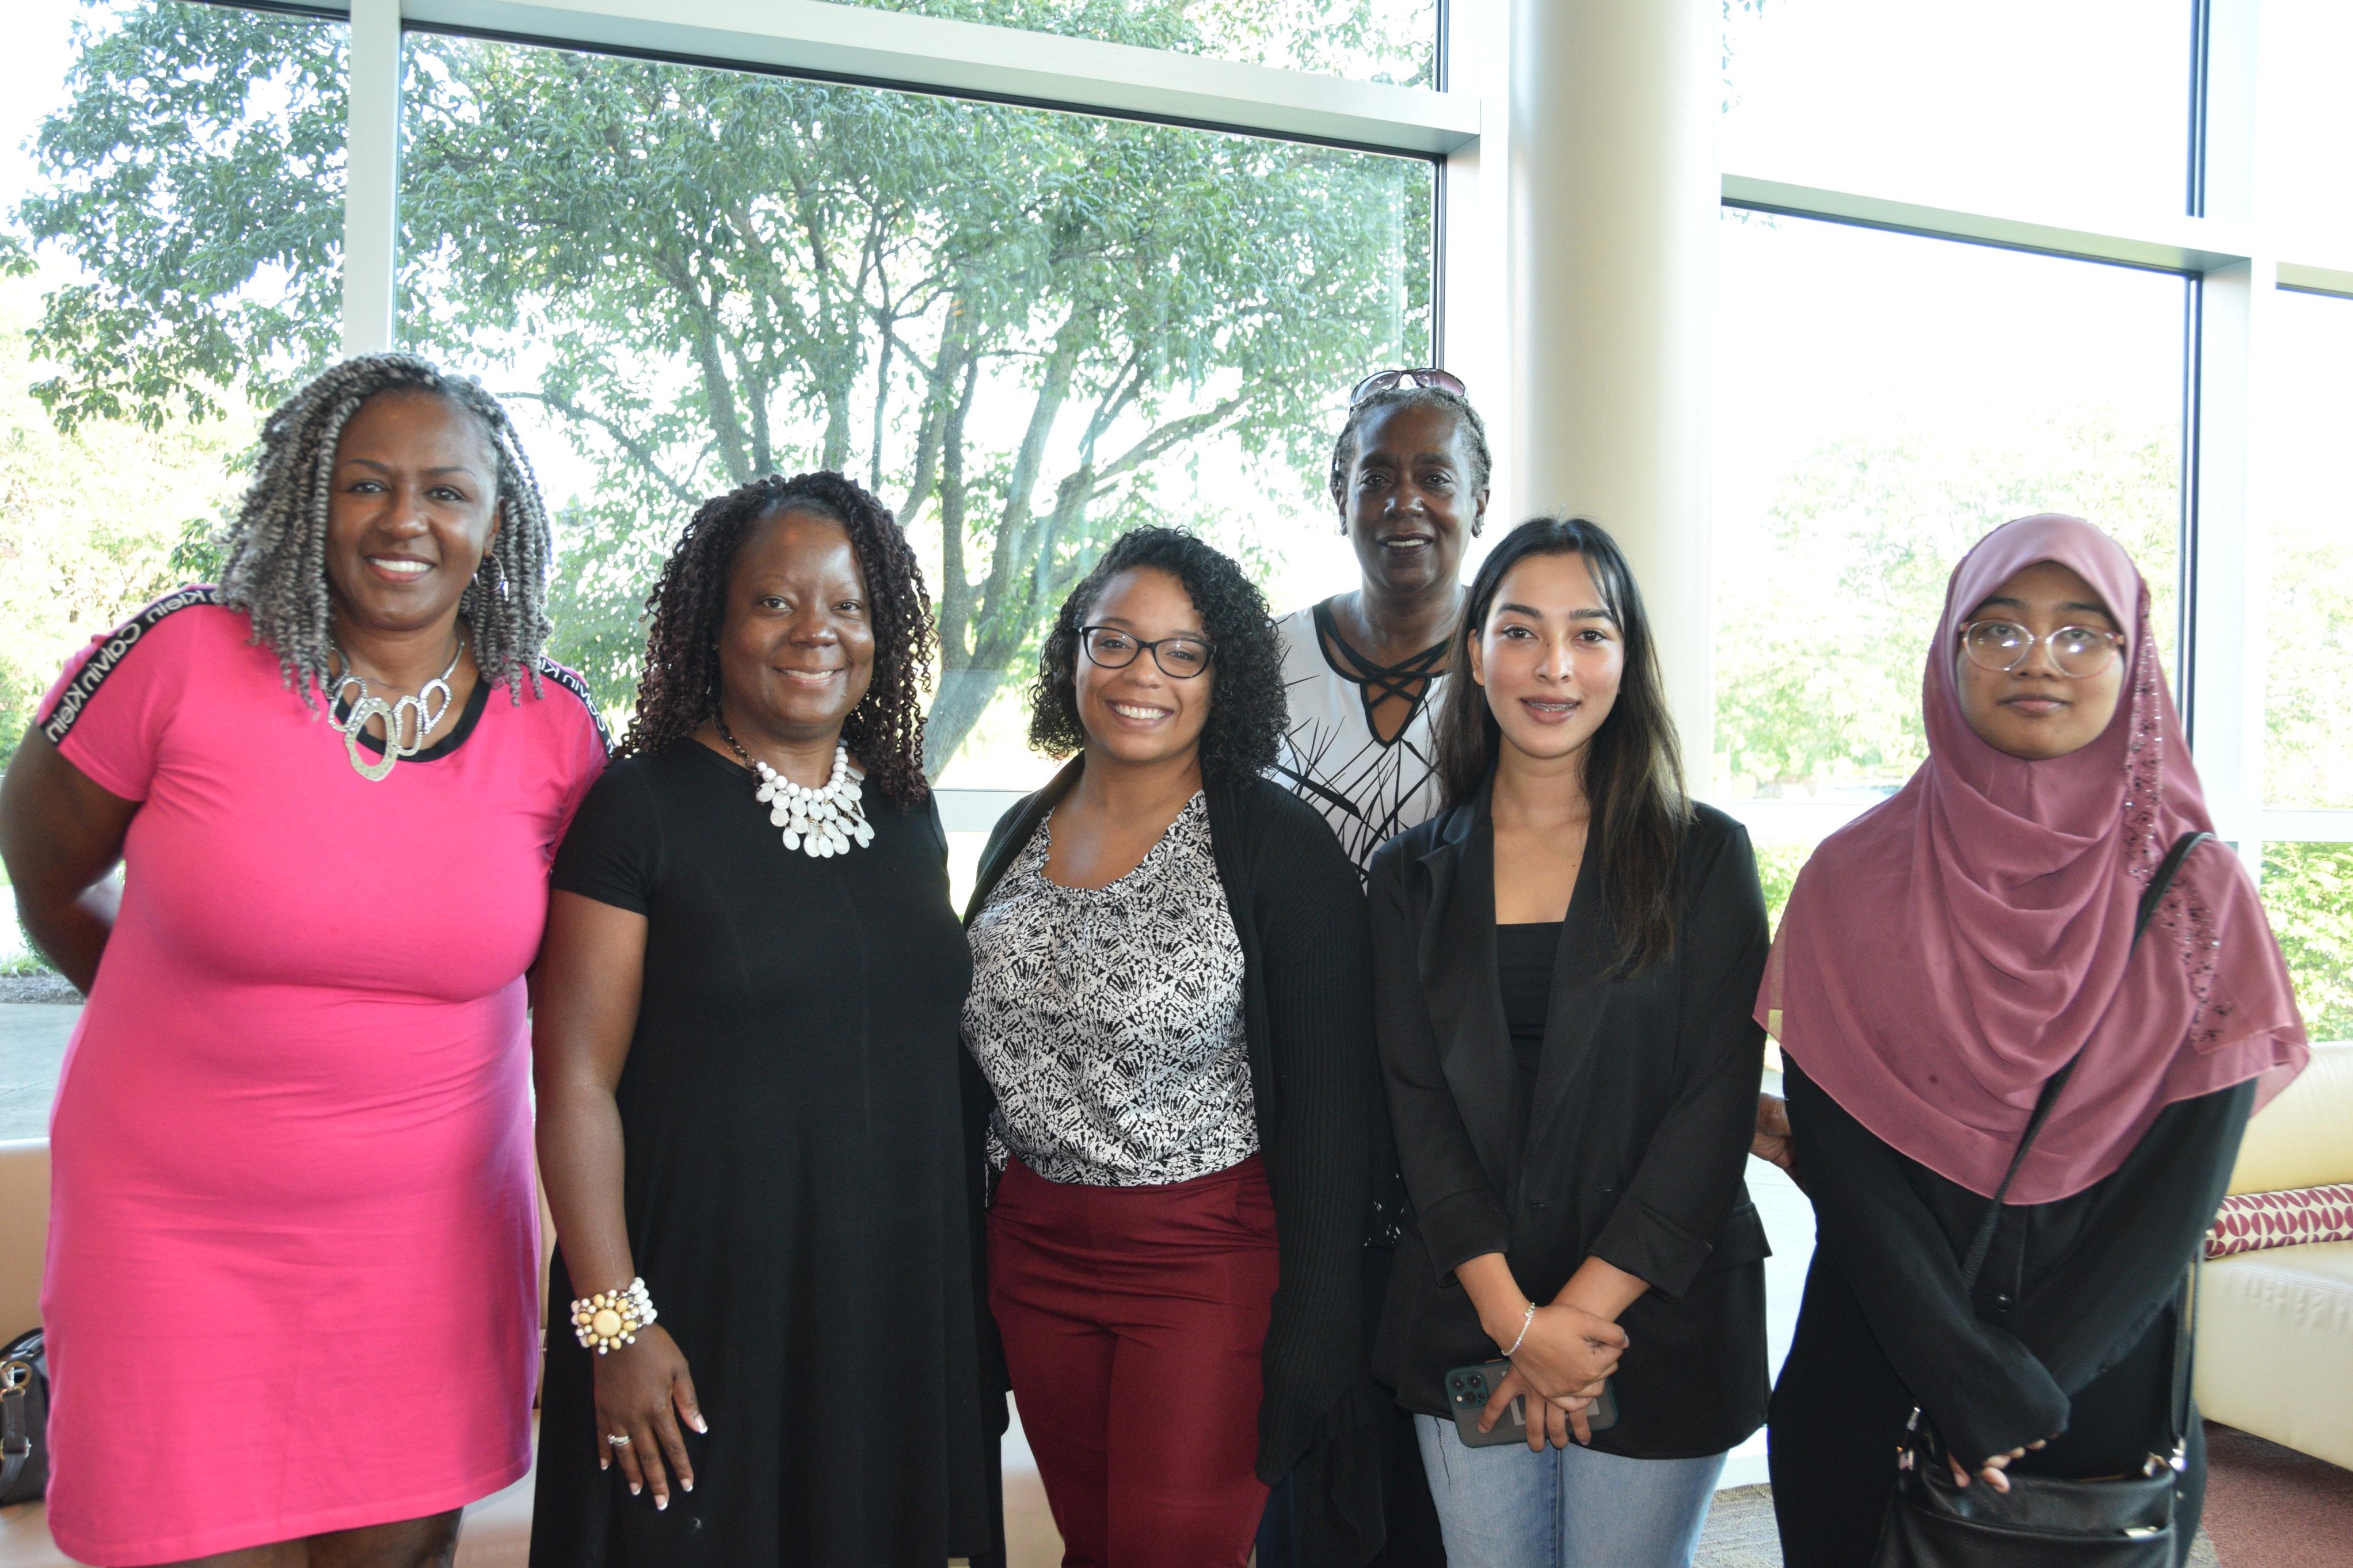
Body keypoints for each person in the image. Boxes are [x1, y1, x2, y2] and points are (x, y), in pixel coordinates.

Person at [0, 354, 606, 1567]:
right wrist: (183, 1029)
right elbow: (47, 877)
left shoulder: (557, 728)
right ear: (304, 498)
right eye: (364, 483)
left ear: (497, 523)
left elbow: (587, 1008)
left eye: (446, 492)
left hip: (427, 1249)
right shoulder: (178, 655)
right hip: (173, 1235)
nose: (405, 521)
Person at [1762, 514, 2310, 1568]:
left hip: (2096, 1412)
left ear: (2132, 658)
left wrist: (2022, 1391)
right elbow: (1845, 1161)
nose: (2039, 659)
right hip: (1872, 1387)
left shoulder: (2200, 902)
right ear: (1949, 651)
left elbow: (2179, 1193)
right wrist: (1961, 1375)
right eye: (1998, 628)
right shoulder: (1851, 879)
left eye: (2083, 631)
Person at [527, 471, 993, 1567]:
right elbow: (575, 1083)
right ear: (715, 624)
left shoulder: (905, 807)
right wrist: (615, 1318)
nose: (814, 632)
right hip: (700, 1305)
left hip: (887, 1301)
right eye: (775, 602)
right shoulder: (639, 808)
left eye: (846, 605)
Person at [961, 527, 1376, 1568]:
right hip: (1034, 1250)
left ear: (1220, 674)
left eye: (1181, 651)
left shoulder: (1276, 848)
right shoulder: (1023, 825)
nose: (1143, 674)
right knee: (1093, 1546)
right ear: (1074, 655)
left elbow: (1335, 1115)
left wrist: (1318, 1337)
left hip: (1202, 1260)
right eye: (1115, 641)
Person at [1369, 517, 1772, 1568]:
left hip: (1655, 1311)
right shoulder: (1410, 876)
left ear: (1627, 657)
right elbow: (1417, 1111)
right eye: (1520, 631)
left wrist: (1575, 1322)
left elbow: (1713, 1108)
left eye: (1589, 634)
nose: (1554, 667)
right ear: (1473, 650)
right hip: (1472, 1306)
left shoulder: (1707, 856)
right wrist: (1517, 1324)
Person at [1261, 366, 1494, 1568]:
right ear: (1336, 493)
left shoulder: (1519, 673)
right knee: (1316, 1398)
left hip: (1462, 1099)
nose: (1405, 502)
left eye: (1434, 477)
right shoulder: (1263, 665)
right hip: (1299, 1096)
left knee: (1446, 1411)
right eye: (1376, 476)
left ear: (1479, 496)